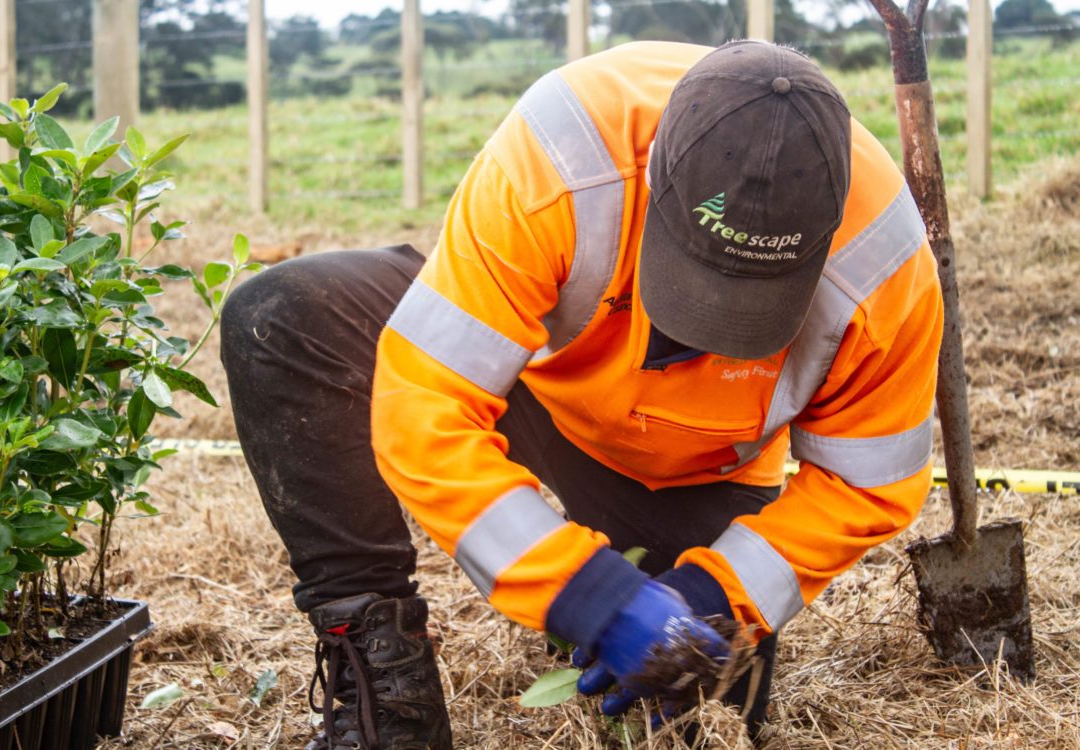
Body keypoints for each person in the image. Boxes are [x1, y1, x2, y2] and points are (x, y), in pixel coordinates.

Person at [220, 40, 943, 750]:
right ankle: (385, 688)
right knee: (286, 315)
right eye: (696, 281)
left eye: (750, 305)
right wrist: (584, 592)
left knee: (694, 709)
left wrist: (720, 594)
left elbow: (866, 486)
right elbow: (424, 405)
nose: (710, 332)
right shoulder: (565, 150)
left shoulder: (884, 268)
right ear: (651, 175)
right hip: (528, 381)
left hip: (685, 464)